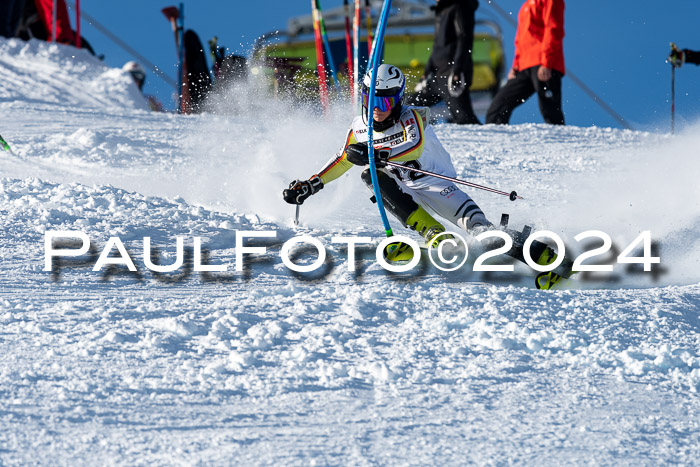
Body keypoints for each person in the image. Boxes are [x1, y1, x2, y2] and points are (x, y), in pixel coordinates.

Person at [282, 64, 567, 289]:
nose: (379, 108)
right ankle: (434, 233)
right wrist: (311, 185)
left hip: (437, 185)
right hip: (404, 189)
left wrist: (373, 153)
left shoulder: (413, 117)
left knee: (485, 235)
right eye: (372, 99)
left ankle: (554, 261)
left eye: (388, 99)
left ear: (399, 98)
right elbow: (343, 159)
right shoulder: (360, 127)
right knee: (371, 176)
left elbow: (413, 146)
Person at [485, 0, 565, 125]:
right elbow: (521, 39)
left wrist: (547, 63)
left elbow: (553, 29)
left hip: (543, 63)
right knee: (498, 106)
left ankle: (562, 142)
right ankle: (496, 139)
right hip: (524, 66)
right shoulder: (526, 6)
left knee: (550, 109)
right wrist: (516, 65)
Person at [407, 0, 481, 124]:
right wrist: (427, 71)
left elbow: (464, 39)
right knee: (410, 105)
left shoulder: (459, 7)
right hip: (437, 75)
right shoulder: (441, 11)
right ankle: (411, 133)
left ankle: (491, 137)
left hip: (451, 74)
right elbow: (438, 46)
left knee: (464, 118)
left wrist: (457, 69)